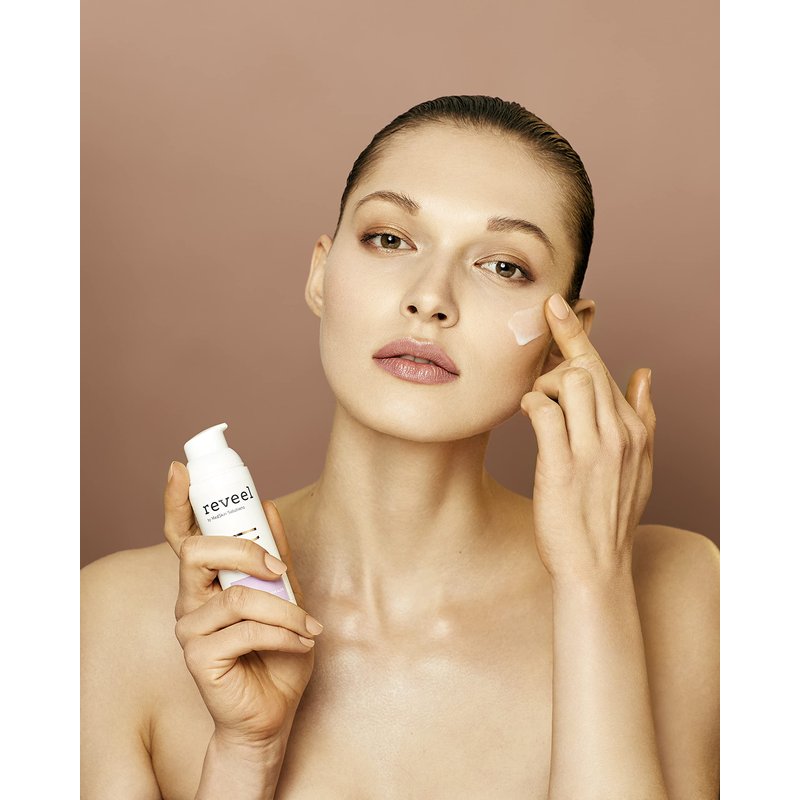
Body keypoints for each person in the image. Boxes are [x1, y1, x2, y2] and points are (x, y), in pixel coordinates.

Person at [81, 95, 720, 799]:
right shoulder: (111, 623)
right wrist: (247, 754)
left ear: (564, 335)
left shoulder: (679, 593)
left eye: (503, 266)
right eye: (390, 239)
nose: (429, 298)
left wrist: (593, 584)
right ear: (321, 274)